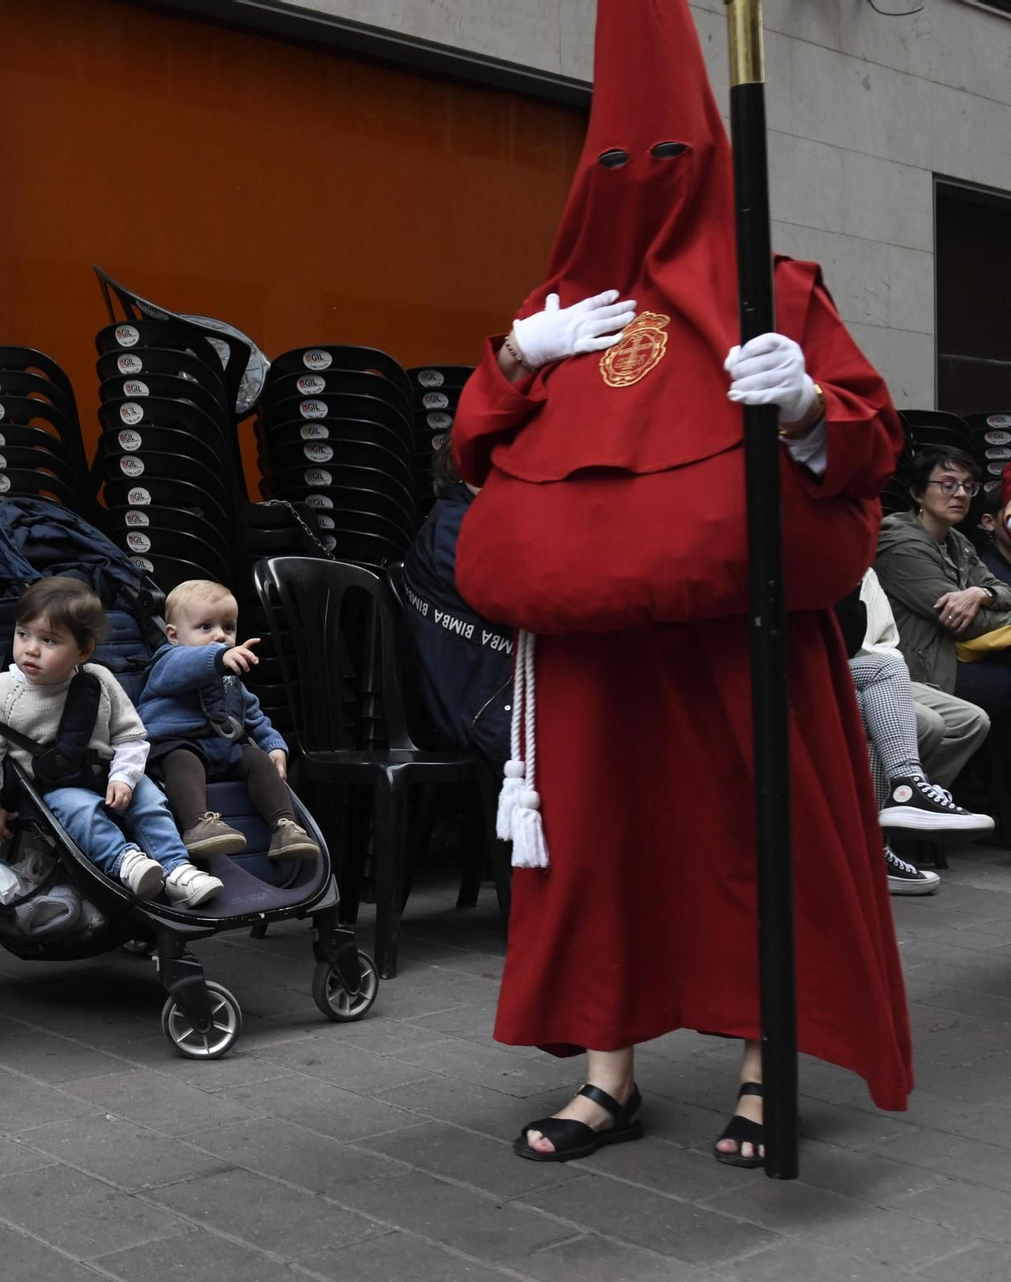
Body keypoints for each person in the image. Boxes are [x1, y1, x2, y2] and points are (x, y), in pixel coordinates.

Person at [452, 0, 910, 1170]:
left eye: (664, 157)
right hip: (591, 649)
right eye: (612, 160)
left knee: (752, 842)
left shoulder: (778, 292)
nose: (638, 177)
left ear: (707, 165)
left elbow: (867, 438)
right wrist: (515, 357)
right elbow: (469, 448)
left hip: (735, 637)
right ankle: (608, 1079)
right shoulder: (555, 311)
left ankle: (766, 1067)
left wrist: (806, 403)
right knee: (601, 845)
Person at [0, 578, 223, 908]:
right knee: (80, 810)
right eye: (23, 634)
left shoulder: (100, 681)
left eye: (48, 640)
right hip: (56, 787)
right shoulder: (6, 692)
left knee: (150, 801)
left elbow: (130, 736)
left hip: (108, 772)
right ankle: (125, 862)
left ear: (83, 651)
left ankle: (178, 870)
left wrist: (123, 777)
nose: (30, 648)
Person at [133, 578, 316, 860]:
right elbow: (184, 668)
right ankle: (197, 825)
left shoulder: (229, 677)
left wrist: (274, 745)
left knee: (257, 759)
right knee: (184, 760)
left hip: (222, 747)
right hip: (174, 745)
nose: (220, 636)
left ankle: (284, 827)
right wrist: (219, 659)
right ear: (173, 634)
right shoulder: (167, 661)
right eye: (205, 627)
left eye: (228, 627)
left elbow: (253, 714)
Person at [836, 569, 992, 896]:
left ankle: (903, 807)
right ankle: (893, 810)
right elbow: (954, 616)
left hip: (876, 666)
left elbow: (998, 591)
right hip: (838, 668)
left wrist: (985, 594)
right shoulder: (897, 544)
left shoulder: (961, 548)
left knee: (971, 719)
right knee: (924, 723)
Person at [396, 439, 513, 768]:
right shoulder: (457, 529)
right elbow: (517, 605)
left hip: (488, 699)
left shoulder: (464, 521)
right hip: (486, 709)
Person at [873, 447, 1011, 723]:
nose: (960, 494)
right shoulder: (900, 546)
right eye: (948, 484)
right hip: (924, 669)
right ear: (917, 493)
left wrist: (982, 593)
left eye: (967, 486)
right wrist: (988, 600)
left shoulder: (958, 541)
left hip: (956, 657)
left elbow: (1004, 590)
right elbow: (960, 620)